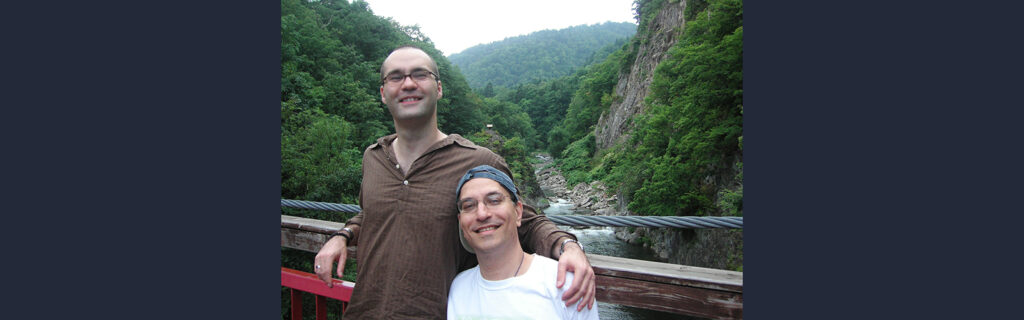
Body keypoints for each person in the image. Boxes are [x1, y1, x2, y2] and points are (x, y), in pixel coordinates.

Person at [313, 45, 596, 318]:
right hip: (364, 312)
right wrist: (343, 235)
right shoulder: (373, 157)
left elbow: (526, 220)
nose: (408, 83)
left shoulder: (477, 161)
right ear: (383, 93)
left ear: (438, 88)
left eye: (420, 74)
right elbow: (372, 214)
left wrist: (568, 247)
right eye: (396, 77)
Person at [447, 165, 600, 319]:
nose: (482, 214)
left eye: (494, 200)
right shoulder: (459, 289)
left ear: (518, 212)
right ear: (461, 222)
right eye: (468, 206)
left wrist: (570, 246)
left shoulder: (565, 285)